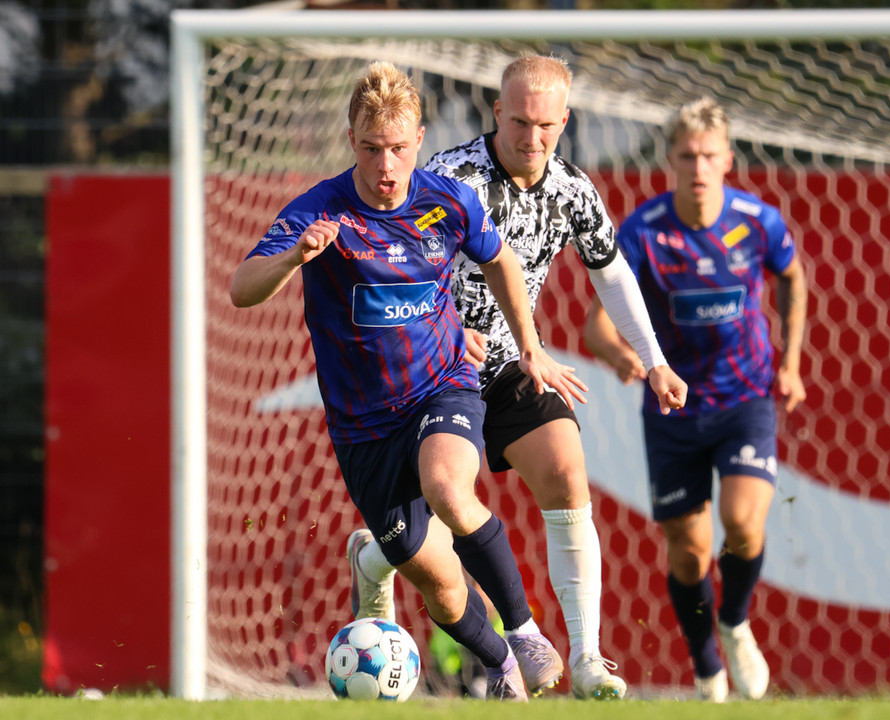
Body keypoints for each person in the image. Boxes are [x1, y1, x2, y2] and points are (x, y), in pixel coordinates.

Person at [230, 61, 588, 702]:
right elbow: (242, 288)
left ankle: (527, 633)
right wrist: (294, 256)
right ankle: (499, 665)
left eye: (397, 148)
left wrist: (530, 347)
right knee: (440, 584)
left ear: (419, 139)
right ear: (351, 141)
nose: (385, 166)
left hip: (443, 385)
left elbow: (501, 261)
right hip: (364, 429)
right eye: (371, 149)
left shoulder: (447, 201)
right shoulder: (320, 210)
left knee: (448, 486)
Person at [419, 54, 687, 700]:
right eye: (519, 122)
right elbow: (404, 264)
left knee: (567, 470)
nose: (531, 138)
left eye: (545, 125)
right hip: (434, 368)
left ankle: (588, 660)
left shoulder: (572, 189)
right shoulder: (450, 178)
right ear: (497, 113)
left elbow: (612, 274)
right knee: (426, 531)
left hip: (517, 361)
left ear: (564, 121)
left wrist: (654, 360)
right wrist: (447, 329)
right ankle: (374, 559)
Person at [583, 97, 807, 702]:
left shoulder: (758, 222)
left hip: (745, 399)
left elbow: (792, 276)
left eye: (710, 155)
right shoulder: (643, 231)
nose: (699, 166)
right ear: (670, 160)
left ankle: (734, 621)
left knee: (743, 522)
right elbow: (596, 327)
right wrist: (624, 357)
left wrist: (789, 363)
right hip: (673, 408)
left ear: (728, 159)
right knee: (688, 551)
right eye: (687, 155)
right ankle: (708, 668)